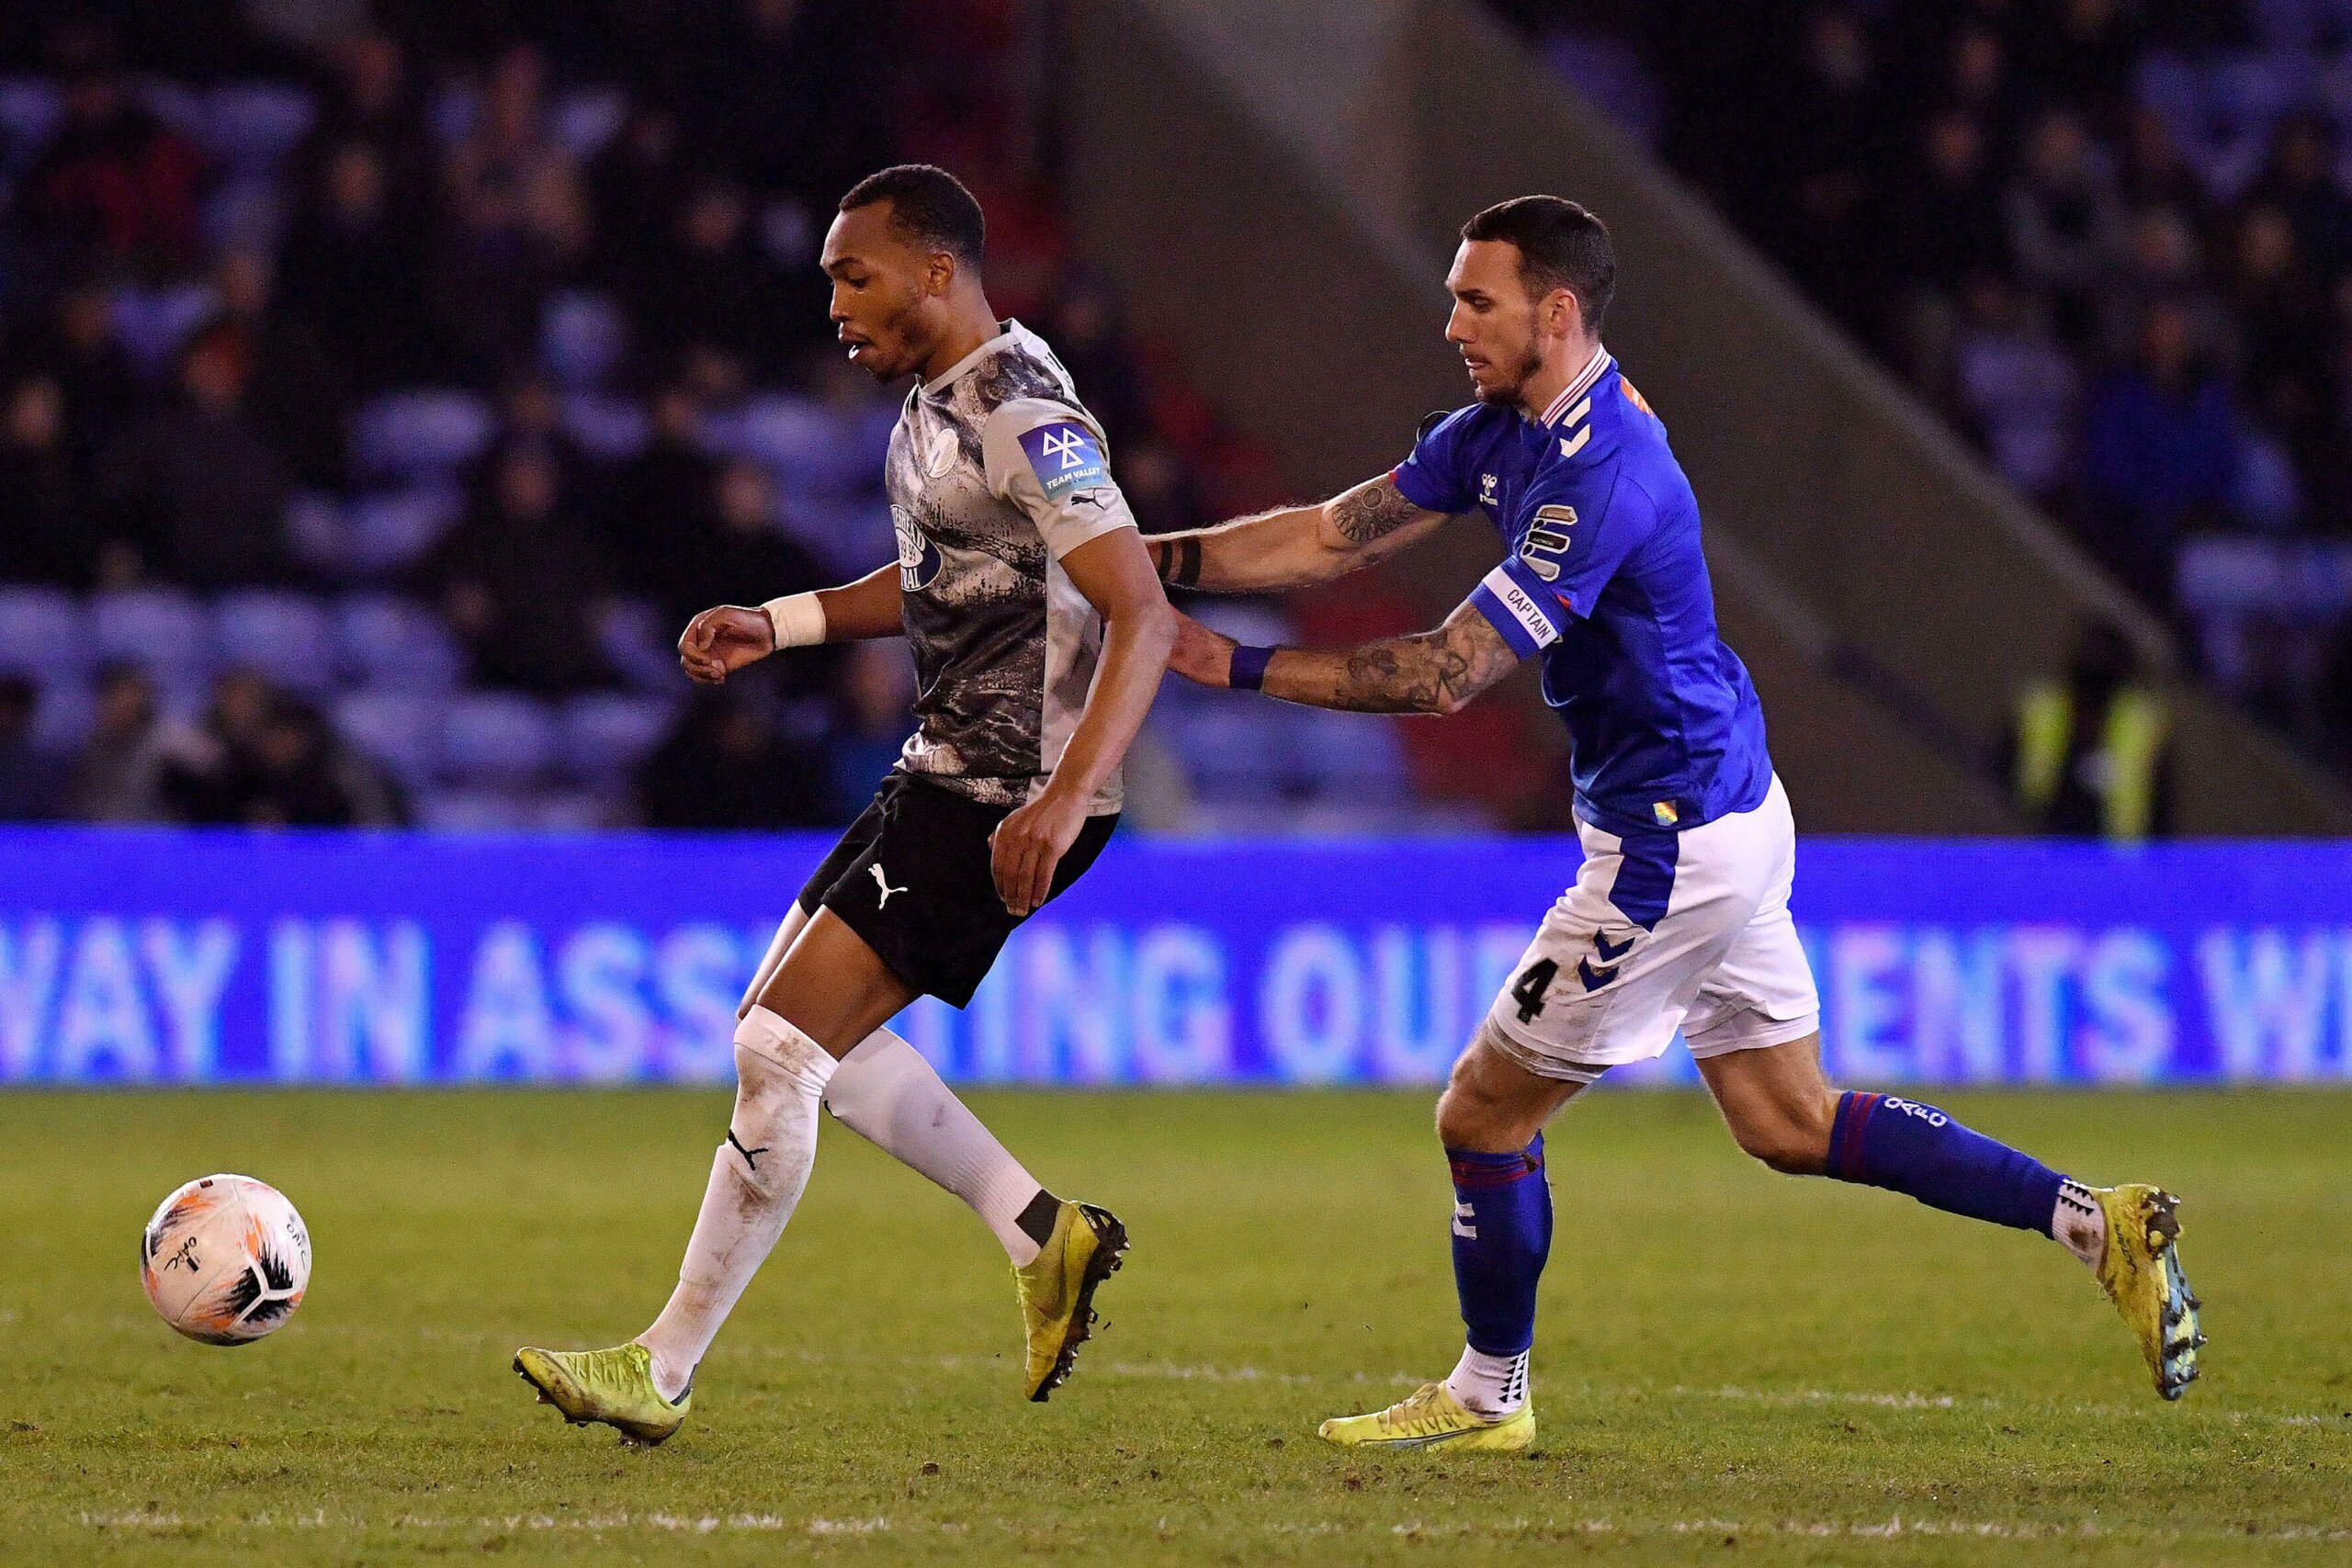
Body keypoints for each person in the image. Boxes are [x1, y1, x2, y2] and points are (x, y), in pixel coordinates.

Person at [1148, 196, 2202, 1452]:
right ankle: (2100, 1221)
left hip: (1670, 841)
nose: (1449, 324)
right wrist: (1138, 562)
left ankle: (1490, 1392)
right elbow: (1328, 536)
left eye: (1474, 301)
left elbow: (1442, 674)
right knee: (1789, 1120)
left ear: (1557, 311)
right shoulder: (1500, 431)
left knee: (1482, 1113)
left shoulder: (1602, 473)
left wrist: (1232, 667)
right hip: (1730, 802)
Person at [514, 164, 1177, 1444]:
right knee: (787, 1031)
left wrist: (1070, 794)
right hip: (942, 771)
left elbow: (1142, 608)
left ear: (937, 269)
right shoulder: (931, 412)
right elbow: (943, 580)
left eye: (853, 273)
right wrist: (784, 621)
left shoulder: (1024, 407)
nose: (834, 303)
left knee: (778, 1052)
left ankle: (659, 1366)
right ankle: (1046, 1232)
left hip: (1009, 794)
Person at [2006, 622, 2173, 840]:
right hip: (2033, 846)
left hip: (2111, 865)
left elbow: (2161, 824)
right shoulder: (2040, 711)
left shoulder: (2143, 731)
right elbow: (1998, 789)